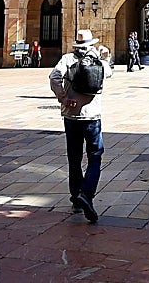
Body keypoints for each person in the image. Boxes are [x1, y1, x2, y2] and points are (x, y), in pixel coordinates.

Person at [49, 29, 113, 223]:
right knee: (95, 156)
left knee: (74, 157)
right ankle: (87, 193)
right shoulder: (97, 60)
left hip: (71, 116)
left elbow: (54, 77)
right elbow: (109, 73)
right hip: (92, 116)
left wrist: (63, 97)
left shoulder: (67, 59)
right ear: (91, 44)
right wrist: (105, 57)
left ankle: (76, 198)